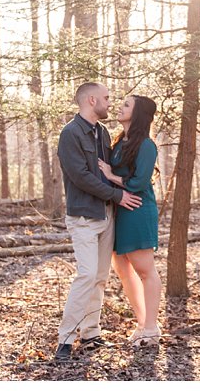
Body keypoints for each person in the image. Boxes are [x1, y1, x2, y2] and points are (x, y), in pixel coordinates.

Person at [54, 82, 142, 363]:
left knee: (101, 278)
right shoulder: (70, 134)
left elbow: (108, 171)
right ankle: (65, 339)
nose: (109, 102)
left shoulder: (102, 132)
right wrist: (118, 195)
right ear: (91, 101)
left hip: (107, 216)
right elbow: (81, 176)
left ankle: (90, 332)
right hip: (83, 216)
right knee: (87, 274)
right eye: (105, 98)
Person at [98, 94, 162, 347]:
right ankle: (142, 323)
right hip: (119, 211)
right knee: (123, 270)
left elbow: (139, 182)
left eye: (126, 105)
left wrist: (112, 177)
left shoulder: (146, 145)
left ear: (137, 114)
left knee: (145, 270)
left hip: (137, 209)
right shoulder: (118, 142)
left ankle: (152, 328)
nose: (119, 107)